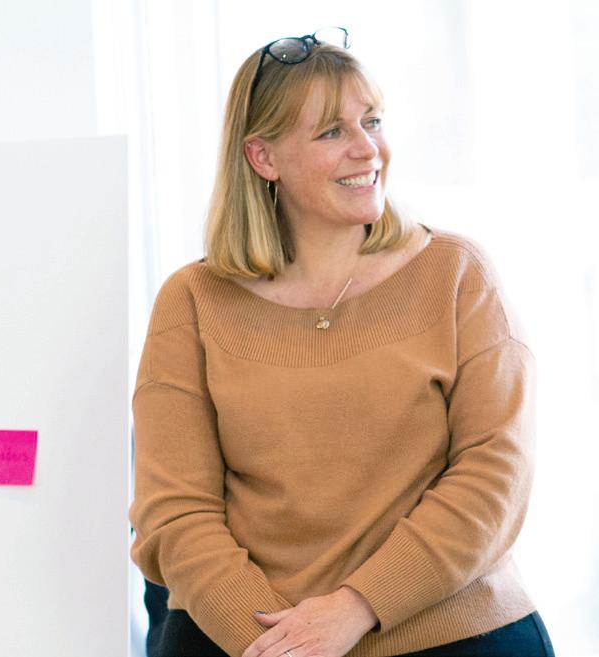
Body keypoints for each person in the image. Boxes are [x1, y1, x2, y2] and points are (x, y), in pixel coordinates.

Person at [128, 28, 556, 657]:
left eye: (372, 121)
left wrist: (357, 607)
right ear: (262, 157)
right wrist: (282, 645)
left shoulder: (457, 275)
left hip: (453, 631)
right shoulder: (192, 301)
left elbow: (496, 476)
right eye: (332, 132)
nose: (368, 148)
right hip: (249, 639)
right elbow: (175, 512)